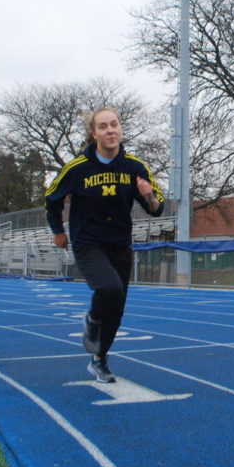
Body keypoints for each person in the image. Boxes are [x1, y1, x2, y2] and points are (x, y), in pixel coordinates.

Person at [45, 107, 164, 383]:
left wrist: (149, 197)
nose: (110, 130)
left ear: (121, 129)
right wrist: (57, 231)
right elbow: (51, 198)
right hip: (88, 243)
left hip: (120, 244)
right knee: (109, 288)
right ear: (94, 133)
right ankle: (92, 320)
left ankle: (100, 359)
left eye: (114, 125)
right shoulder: (77, 168)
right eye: (103, 126)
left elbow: (157, 209)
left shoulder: (135, 167)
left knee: (118, 307)